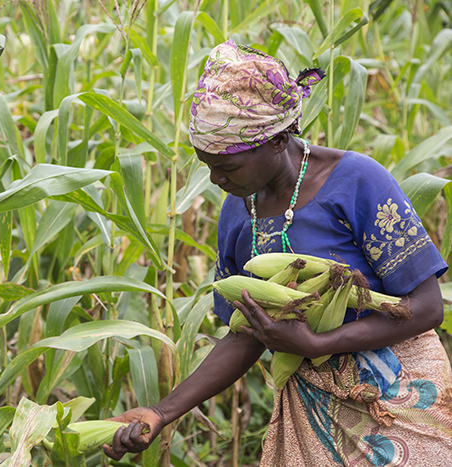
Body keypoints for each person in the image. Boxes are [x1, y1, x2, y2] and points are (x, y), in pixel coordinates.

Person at [103, 40, 452, 466]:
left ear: (277, 139)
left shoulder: (357, 182)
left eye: (227, 167)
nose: (215, 180)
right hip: (312, 410)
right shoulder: (237, 212)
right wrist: (161, 413)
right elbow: (246, 333)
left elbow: (427, 307)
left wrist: (317, 341)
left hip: (400, 397)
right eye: (207, 165)